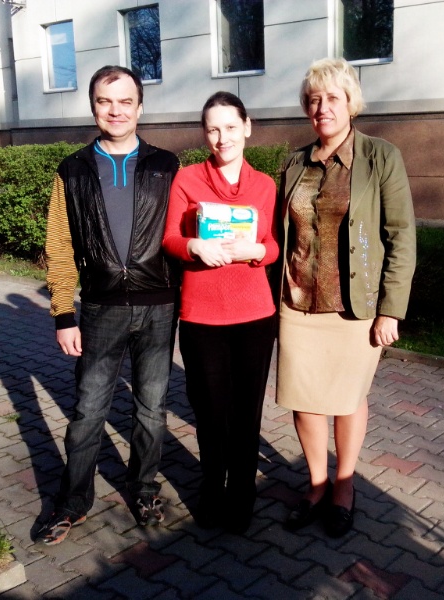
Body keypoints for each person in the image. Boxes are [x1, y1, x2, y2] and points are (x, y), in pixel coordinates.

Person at [38, 65, 180, 545]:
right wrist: (63, 313)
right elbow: (59, 246)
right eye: (105, 101)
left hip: (159, 306)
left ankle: (144, 490)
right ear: (93, 106)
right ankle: (73, 502)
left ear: (140, 106)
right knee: (87, 411)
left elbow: (184, 234)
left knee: (151, 409)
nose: (115, 111)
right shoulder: (72, 170)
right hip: (101, 308)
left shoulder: (167, 165)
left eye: (125, 101)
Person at [277, 58, 416, 538]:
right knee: (304, 399)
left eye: (333, 98)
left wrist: (391, 309)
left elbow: (401, 236)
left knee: (347, 397)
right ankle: (316, 485)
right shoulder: (295, 163)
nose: (323, 108)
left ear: (351, 103)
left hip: (355, 308)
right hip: (296, 301)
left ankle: (344, 485)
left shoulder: (380, 157)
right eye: (314, 100)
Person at [162, 91, 278, 534]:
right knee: (210, 412)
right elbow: (169, 239)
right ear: (204, 134)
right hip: (203, 317)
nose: (222, 137)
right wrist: (194, 245)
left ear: (247, 127)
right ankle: (212, 488)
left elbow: (273, 246)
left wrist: (257, 252)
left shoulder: (264, 185)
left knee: (247, 413)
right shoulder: (187, 179)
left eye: (230, 127)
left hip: (254, 315)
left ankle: (243, 494)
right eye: (213, 129)